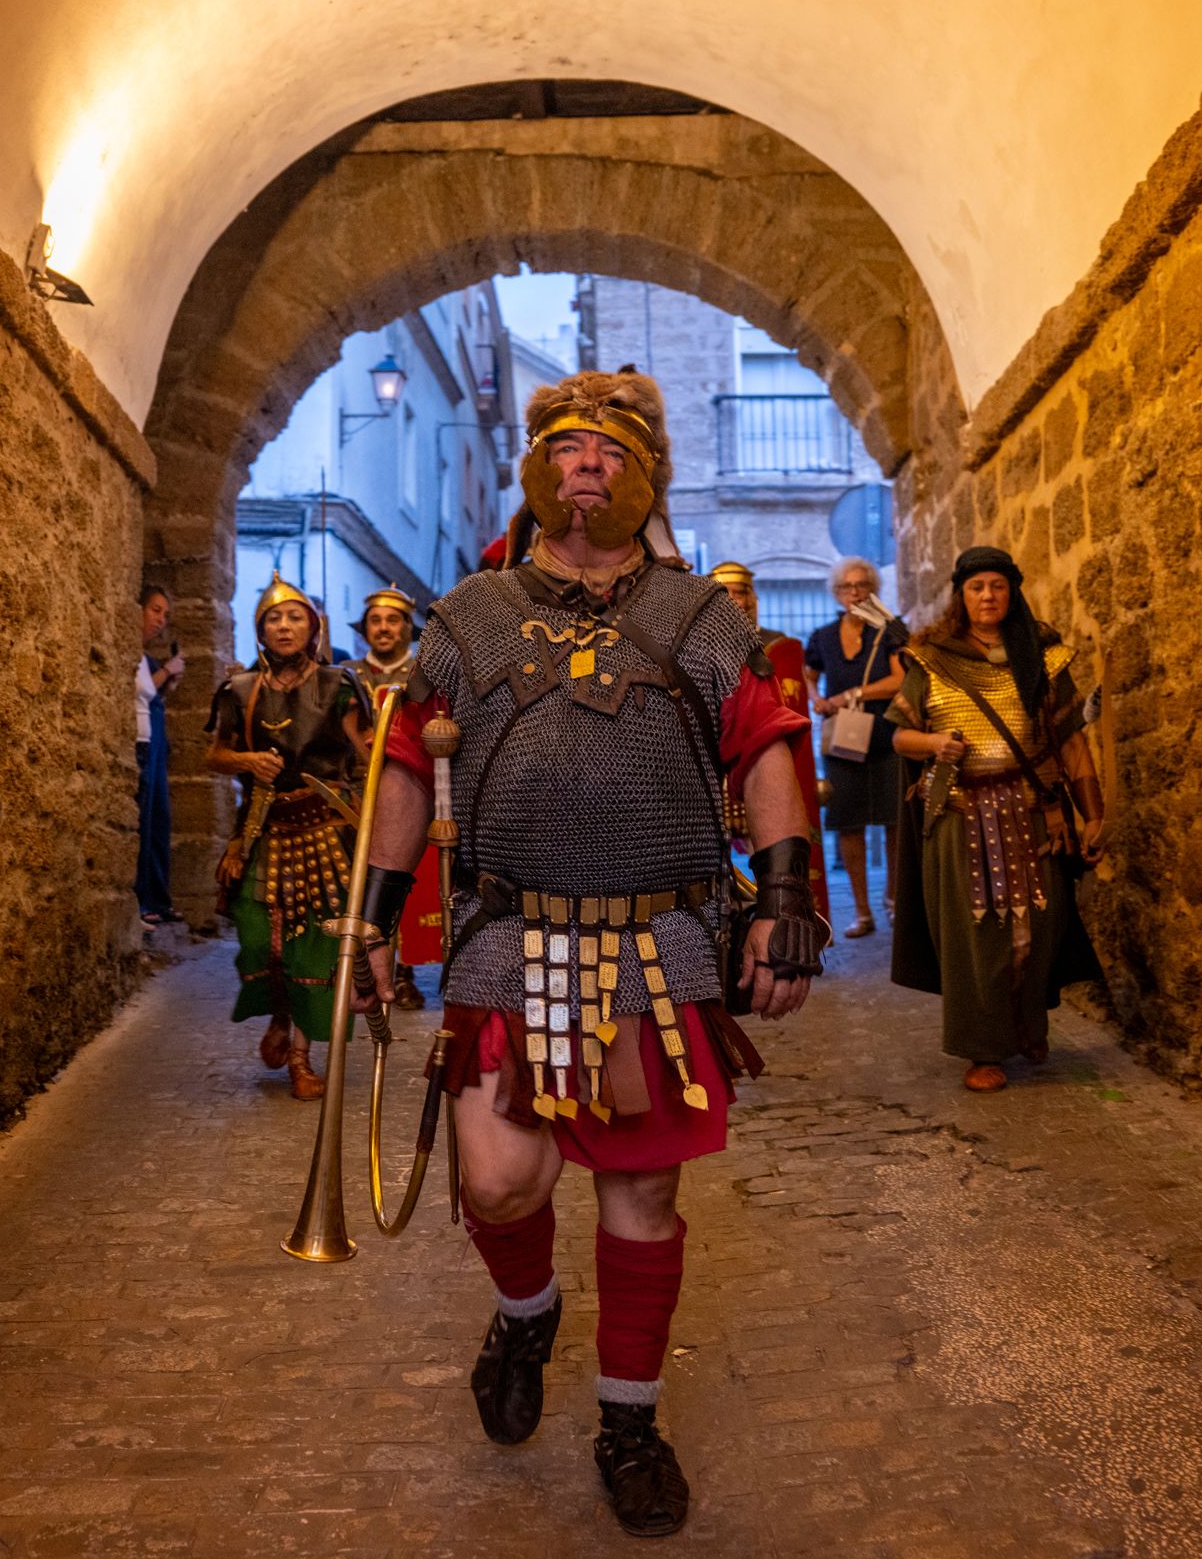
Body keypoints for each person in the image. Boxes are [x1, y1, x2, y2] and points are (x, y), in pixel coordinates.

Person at [360, 370, 821, 1537]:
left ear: (645, 475)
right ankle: (526, 1307)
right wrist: (369, 915)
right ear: (536, 468)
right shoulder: (468, 614)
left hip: (660, 944)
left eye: (612, 450)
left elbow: (765, 741)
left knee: (642, 1190)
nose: (587, 463)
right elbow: (408, 764)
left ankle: (629, 1419)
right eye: (567, 445)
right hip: (508, 935)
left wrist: (786, 894)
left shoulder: (702, 620)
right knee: (499, 1181)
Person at [887, 546, 1107, 1092]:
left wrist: (1094, 814)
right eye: (977, 587)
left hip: (1037, 817)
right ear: (961, 597)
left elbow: (1071, 744)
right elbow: (898, 736)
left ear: (1012, 592)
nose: (989, 596)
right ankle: (983, 1050)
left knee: (1040, 929)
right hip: (962, 819)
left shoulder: (1042, 657)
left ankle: (1029, 1027)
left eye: (998, 586)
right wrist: (935, 742)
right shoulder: (931, 658)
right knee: (977, 938)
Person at [204, 574, 372, 1100]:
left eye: (295, 616)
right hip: (263, 827)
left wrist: (374, 809)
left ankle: (301, 1056)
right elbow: (214, 753)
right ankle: (278, 1012)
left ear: (313, 627)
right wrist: (245, 760)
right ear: (260, 630)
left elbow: (368, 753)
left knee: (313, 949)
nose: (284, 625)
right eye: (274, 618)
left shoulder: (339, 686)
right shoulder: (239, 690)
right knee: (259, 939)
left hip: (324, 830)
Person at [708, 561, 830, 924]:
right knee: (715, 851)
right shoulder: (694, 646)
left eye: (742, 592)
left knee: (772, 846)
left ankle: (781, 918)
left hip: (765, 762)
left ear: (753, 597)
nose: (736, 601)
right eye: (726, 594)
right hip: (717, 767)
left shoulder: (779, 646)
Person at [807, 556, 907, 938]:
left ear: (874, 590)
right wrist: (817, 697)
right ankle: (862, 912)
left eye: (862, 585)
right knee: (849, 823)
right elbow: (809, 673)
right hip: (844, 741)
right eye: (847, 587)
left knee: (893, 822)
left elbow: (900, 680)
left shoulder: (891, 631)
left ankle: (895, 902)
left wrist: (851, 693)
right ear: (836, 593)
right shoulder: (823, 636)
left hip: (886, 735)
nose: (855, 593)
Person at [346, 584, 428, 1011]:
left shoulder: (424, 673)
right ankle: (360, 969)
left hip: (406, 792)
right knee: (358, 885)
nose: (383, 628)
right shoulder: (346, 676)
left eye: (392, 620)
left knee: (405, 888)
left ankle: (404, 972)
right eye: (376, 620)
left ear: (406, 627)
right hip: (356, 793)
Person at [135, 583, 185, 926]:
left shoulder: (145, 658)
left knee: (158, 822)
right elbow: (140, 690)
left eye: (164, 614)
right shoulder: (131, 654)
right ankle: (141, 902)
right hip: (140, 744)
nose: (160, 620)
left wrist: (168, 681)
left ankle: (157, 899)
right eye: (155, 610)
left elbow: (151, 695)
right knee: (142, 822)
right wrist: (168, 670)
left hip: (152, 743)